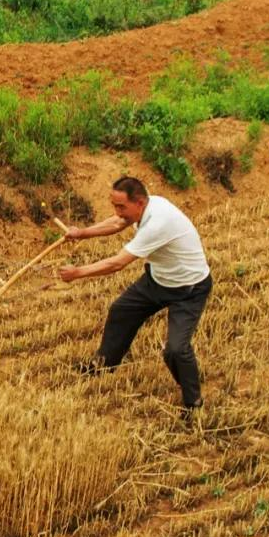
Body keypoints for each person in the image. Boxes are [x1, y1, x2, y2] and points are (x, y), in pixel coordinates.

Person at [59, 175, 212, 415]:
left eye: (121, 206)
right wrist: (82, 233)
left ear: (139, 203)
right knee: (121, 311)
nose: (117, 211)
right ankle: (103, 365)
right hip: (157, 280)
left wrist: (78, 272)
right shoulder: (147, 207)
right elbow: (117, 223)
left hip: (188, 289)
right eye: (114, 205)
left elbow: (117, 263)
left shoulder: (158, 223)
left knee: (176, 349)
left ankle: (194, 404)